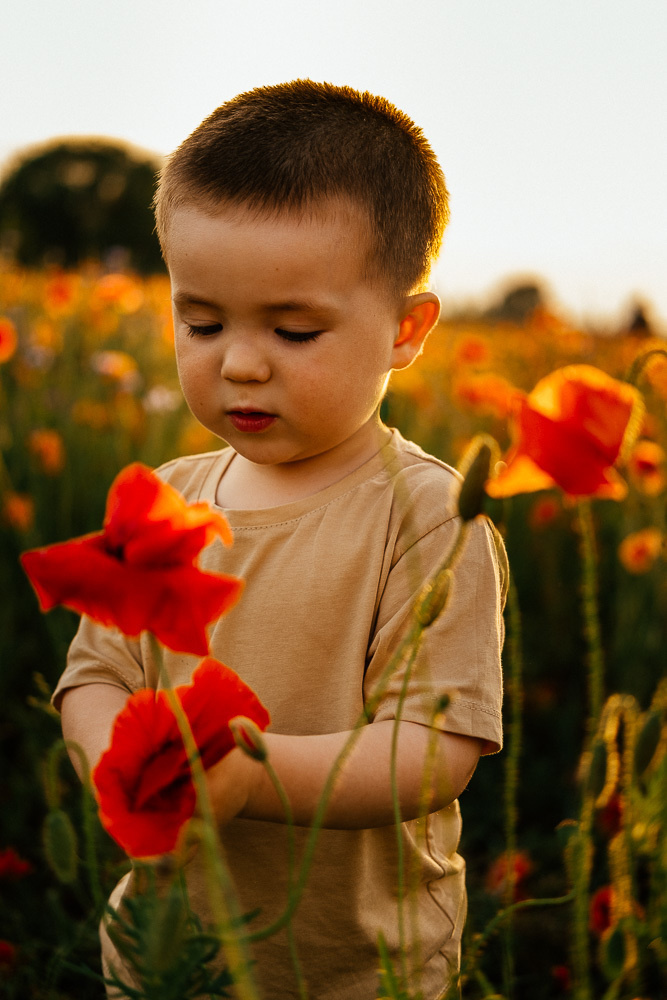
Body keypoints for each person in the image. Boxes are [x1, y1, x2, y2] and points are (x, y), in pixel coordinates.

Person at [55, 80, 508, 1000]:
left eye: (294, 329)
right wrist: (119, 760)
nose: (241, 361)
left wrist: (256, 777)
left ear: (406, 331)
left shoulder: (424, 514)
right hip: (164, 955)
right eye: (201, 322)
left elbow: (434, 748)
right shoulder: (165, 498)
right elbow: (94, 673)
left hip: (357, 967)